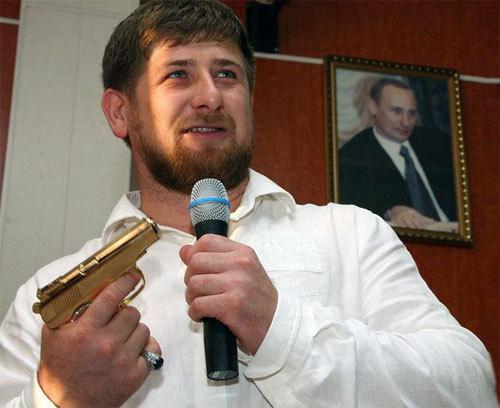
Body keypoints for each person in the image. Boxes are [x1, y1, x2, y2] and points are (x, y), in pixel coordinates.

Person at [0, 1, 497, 407]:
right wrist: (62, 400)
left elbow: (471, 390)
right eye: (178, 74)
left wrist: (281, 332)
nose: (210, 96)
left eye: (227, 74)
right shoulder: (50, 298)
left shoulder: (353, 235)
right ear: (119, 112)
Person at [339, 78, 458, 230]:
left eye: (411, 113)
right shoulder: (352, 157)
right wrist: (390, 211)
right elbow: (353, 211)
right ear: (373, 107)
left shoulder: (437, 142)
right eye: (397, 111)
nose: (406, 122)